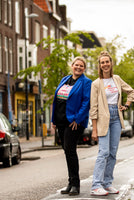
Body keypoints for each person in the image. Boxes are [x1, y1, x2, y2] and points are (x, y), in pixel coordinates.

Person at [89, 51, 134, 196]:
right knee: (103, 152)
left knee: (112, 153)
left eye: (107, 62)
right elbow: (94, 107)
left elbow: (131, 92)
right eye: (102, 62)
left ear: (111, 63)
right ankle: (96, 185)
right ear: (100, 65)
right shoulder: (96, 83)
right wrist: (94, 129)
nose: (105, 64)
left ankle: (107, 183)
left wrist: (126, 105)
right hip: (103, 119)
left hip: (116, 118)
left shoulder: (117, 79)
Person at [51, 57, 92, 196]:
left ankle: (75, 184)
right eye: (76, 65)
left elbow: (86, 102)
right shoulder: (65, 79)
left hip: (74, 122)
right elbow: (56, 100)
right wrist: (53, 119)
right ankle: (70, 183)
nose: (78, 67)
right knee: (67, 151)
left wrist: (78, 119)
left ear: (84, 68)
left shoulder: (86, 82)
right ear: (72, 66)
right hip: (61, 120)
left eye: (81, 66)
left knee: (70, 150)